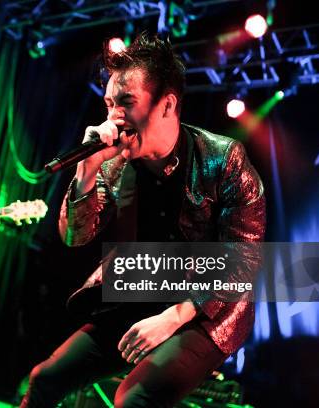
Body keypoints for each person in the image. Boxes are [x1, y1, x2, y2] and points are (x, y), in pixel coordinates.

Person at [21, 33, 266, 407]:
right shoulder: (113, 163)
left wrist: (173, 317)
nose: (114, 116)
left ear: (167, 105)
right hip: (138, 299)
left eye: (126, 102)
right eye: (108, 104)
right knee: (44, 379)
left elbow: (243, 261)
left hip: (204, 310)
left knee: (133, 399)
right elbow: (74, 235)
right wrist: (87, 170)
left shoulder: (224, 159)